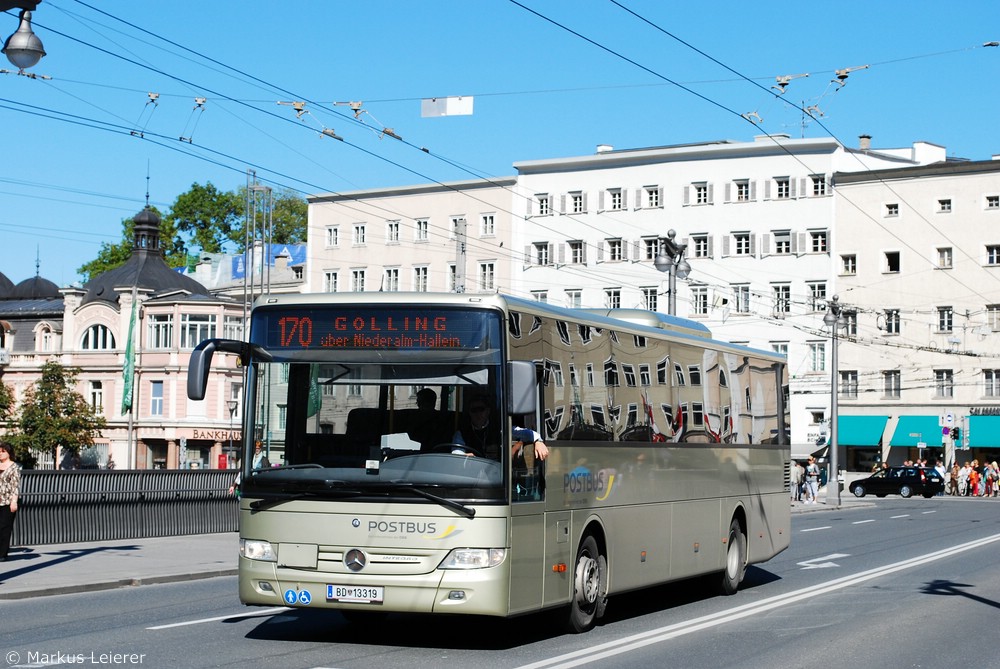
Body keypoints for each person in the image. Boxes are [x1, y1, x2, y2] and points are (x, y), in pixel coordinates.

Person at [453, 395, 549, 463]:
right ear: (469, 413)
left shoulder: (500, 427)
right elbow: (456, 454)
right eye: (474, 410)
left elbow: (524, 433)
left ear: (488, 411)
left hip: (496, 476)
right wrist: (463, 458)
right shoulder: (462, 433)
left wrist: (538, 441)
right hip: (471, 476)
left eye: (481, 409)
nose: (478, 414)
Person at [0, 441, 21, 561]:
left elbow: (15, 486)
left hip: (7, 501)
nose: (0, 454)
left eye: (3, 452)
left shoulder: (14, 467)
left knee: (4, 527)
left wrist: (14, 501)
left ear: (9, 453)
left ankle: (2, 553)